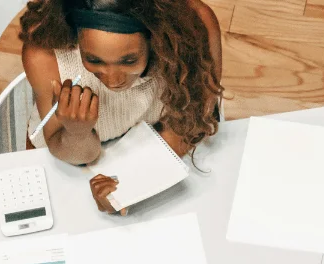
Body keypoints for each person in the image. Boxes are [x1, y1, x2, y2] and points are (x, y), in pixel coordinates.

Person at [19, 0, 223, 213]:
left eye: (129, 61)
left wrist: (130, 186)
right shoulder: (43, 54)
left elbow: (190, 123)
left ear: (156, 36)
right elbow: (77, 155)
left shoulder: (194, 26)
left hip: (159, 143)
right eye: (93, 60)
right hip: (67, 156)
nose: (113, 80)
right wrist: (77, 132)